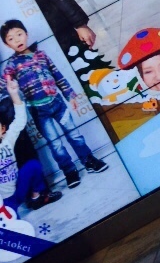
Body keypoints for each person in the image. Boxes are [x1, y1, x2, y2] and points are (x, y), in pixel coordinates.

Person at [1, 20, 108, 189]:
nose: (17, 40)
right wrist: (8, 86)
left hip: (58, 104)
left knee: (74, 135)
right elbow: (4, 84)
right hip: (39, 111)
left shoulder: (41, 55)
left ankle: (89, 160)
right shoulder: (12, 65)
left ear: (26, 34)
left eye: (19, 34)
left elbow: (57, 75)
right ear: (7, 45)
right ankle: (69, 171)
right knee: (55, 144)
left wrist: (70, 96)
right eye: (11, 39)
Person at [0, 76, 62, 214]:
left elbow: (19, 120)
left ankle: (38, 196)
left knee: (26, 154)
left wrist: (12, 93)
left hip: (6, 105)